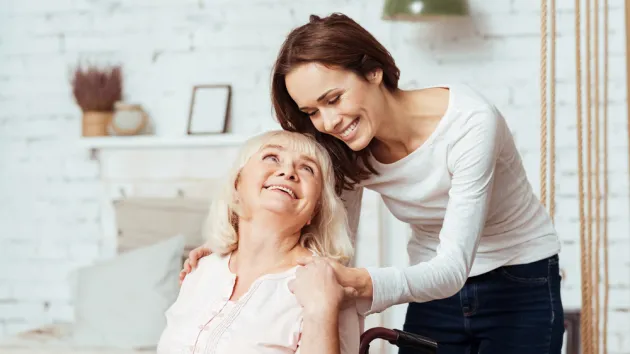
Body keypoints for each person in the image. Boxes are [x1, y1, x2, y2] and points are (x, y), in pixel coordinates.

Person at [181, 13, 564, 354]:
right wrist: (230, 255)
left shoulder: (470, 124)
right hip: (428, 280)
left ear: (373, 71)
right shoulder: (345, 143)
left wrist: (357, 283)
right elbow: (333, 243)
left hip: (519, 275)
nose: (328, 122)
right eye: (312, 111)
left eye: (333, 98)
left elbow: (452, 269)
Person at [158, 130, 362, 354]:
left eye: (307, 168)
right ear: (237, 185)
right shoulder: (201, 270)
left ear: (315, 209)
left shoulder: (324, 286)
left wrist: (322, 309)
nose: (288, 172)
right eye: (272, 157)